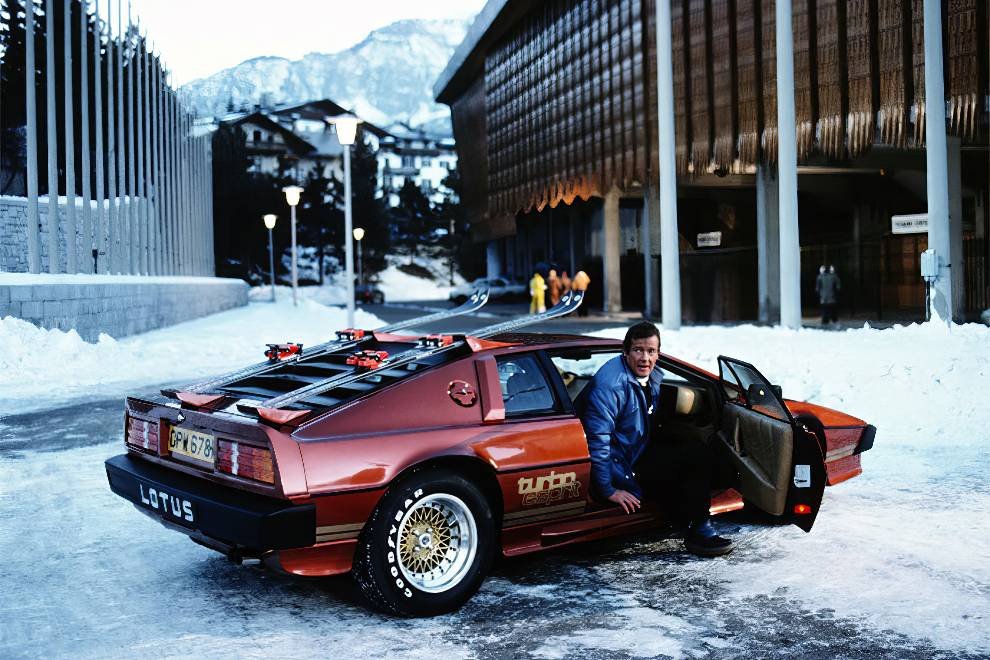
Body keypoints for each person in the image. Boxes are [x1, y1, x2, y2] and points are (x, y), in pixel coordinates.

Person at [577, 322, 733, 556]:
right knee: (694, 459)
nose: (645, 358)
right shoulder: (610, 386)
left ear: (658, 353)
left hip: (635, 448)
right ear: (626, 352)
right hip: (622, 465)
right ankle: (698, 529)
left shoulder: (652, 376)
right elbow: (598, 444)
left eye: (651, 351)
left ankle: (685, 516)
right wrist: (609, 490)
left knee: (694, 443)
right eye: (638, 350)